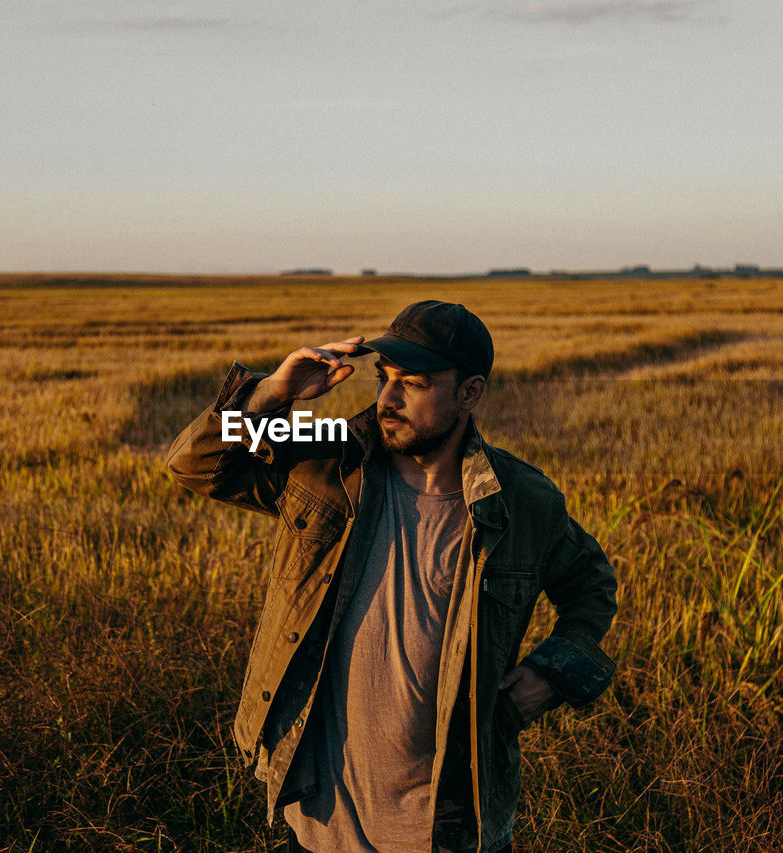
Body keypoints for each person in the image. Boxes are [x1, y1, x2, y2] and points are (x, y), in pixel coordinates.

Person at [168, 300, 618, 853]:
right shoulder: (328, 460)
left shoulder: (522, 501)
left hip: (454, 825)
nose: (388, 398)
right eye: (384, 378)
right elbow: (192, 462)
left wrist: (553, 674)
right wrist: (271, 395)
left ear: (470, 393)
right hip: (318, 822)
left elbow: (592, 590)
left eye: (415, 383)